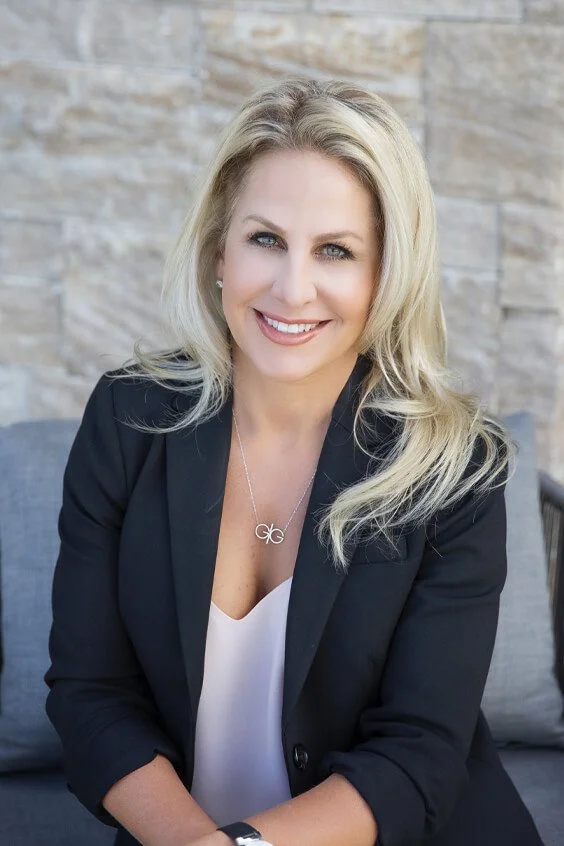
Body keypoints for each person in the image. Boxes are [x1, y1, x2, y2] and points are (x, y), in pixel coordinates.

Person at [44, 77, 543, 846]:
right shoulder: (128, 418)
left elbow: (417, 754)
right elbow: (91, 696)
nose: (292, 288)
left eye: (336, 251)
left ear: (384, 279)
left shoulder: (458, 468)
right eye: (266, 239)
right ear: (219, 249)